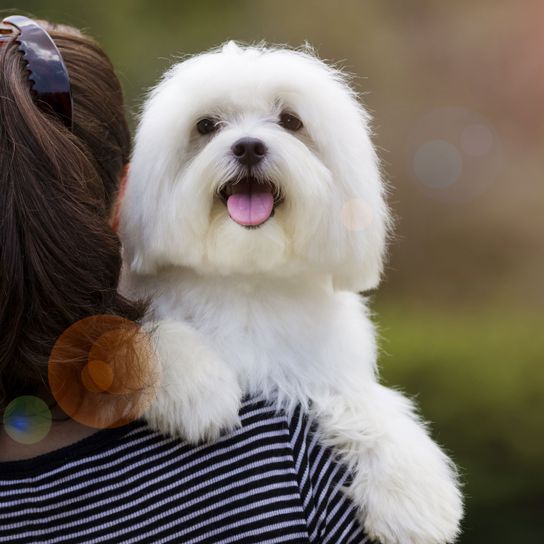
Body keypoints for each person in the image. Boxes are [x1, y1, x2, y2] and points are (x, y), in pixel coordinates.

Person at [0, 16, 367, 543]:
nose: (246, 144)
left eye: (286, 122)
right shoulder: (296, 457)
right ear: (127, 191)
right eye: (207, 127)